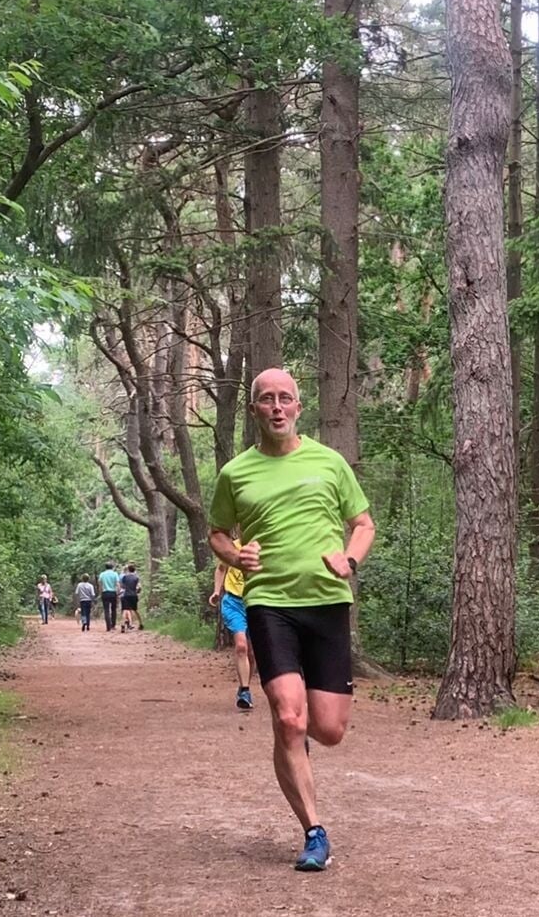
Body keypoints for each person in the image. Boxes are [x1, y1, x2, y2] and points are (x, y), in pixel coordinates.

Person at [209, 367, 375, 872]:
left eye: (285, 399)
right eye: (266, 399)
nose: (277, 407)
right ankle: (314, 831)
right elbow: (217, 533)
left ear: (298, 408)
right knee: (287, 716)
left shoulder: (328, 463)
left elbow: (363, 523)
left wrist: (349, 561)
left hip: (326, 603)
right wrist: (237, 556)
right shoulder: (236, 473)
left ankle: (297, 740)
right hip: (270, 603)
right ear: (255, 409)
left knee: (328, 731)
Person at [209, 539, 258, 710]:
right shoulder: (231, 546)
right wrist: (216, 591)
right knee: (241, 646)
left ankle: (245, 686)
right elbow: (221, 568)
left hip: (255, 601)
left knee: (251, 653)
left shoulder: (263, 545)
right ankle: (245, 691)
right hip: (233, 602)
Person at [97, 562, 121, 631]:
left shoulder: (102, 574)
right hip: (113, 593)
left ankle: (108, 626)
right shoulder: (115, 574)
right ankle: (113, 625)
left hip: (105, 593)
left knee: (106, 610)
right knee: (113, 609)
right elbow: (118, 584)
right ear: (112, 567)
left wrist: (100, 592)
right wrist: (118, 593)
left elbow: (100, 584)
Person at [118, 563, 143, 632]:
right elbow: (139, 587)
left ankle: (122, 625)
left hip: (126, 595)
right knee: (135, 610)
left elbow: (122, 586)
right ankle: (141, 624)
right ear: (134, 570)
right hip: (134, 595)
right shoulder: (136, 578)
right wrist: (137, 591)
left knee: (125, 610)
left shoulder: (125, 577)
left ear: (128, 570)